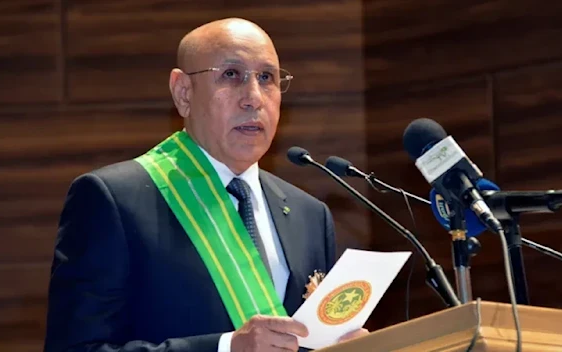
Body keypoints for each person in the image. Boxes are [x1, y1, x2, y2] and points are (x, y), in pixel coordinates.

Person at [43, 17, 368, 352]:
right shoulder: (113, 200)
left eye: (267, 78)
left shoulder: (309, 215)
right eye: (231, 75)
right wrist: (226, 347)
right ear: (183, 92)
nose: (254, 98)